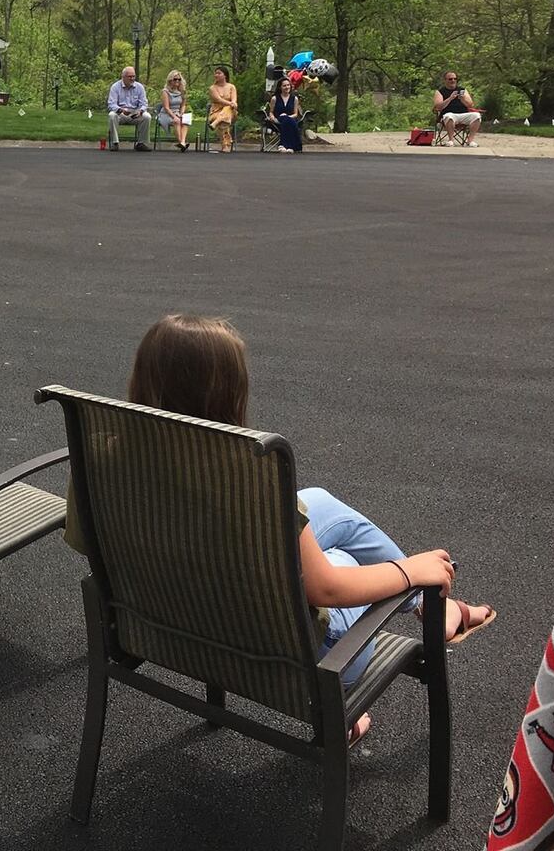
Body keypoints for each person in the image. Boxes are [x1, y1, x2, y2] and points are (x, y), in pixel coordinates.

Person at [71, 315, 495, 737]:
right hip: (294, 658)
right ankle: (413, 621)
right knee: (341, 560)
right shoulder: (252, 482)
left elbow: (85, 544)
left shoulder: (100, 460)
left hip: (168, 624)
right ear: (230, 394)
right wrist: (411, 572)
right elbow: (326, 590)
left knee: (320, 502)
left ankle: (425, 608)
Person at [106, 66, 151, 151]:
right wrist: (121, 110)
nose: (132, 78)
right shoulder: (115, 87)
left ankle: (141, 143)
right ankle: (115, 143)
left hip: (135, 113)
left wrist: (140, 111)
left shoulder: (139, 87)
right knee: (112, 115)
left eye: (133, 76)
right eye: (130, 76)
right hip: (120, 113)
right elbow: (111, 104)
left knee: (147, 116)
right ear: (123, 77)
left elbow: (144, 103)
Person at [434, 71, 482, 146]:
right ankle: (451, 140)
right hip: (448, 115)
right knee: (449, 116)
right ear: (445, 80)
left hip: (463, 114)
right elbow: (438, 107)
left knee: (477, 116)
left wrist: (462, 99)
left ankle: (470, 141)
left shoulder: (462, 90)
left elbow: (470, 105)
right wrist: (450, 98)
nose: (453, 80)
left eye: (455, 79)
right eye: (450, 79)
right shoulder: (440, 92)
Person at [267, 76, 304, 153]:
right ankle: (291, 146)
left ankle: (283, 145)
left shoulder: (295, 99)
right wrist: (272, 117)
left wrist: (287, 116)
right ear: (280, 87)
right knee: (287, 120)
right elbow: (271, 111)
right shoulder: (274, 98)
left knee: (288, 120)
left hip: (290, 119)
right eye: (284, 85)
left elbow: (295, 114)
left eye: (288, 85)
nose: (287, 87)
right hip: (278, 120)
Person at [207, 67, 239, 153]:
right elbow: (218, 100)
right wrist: (231, 104)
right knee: (224, 121)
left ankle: (216, 123)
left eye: (218, 73)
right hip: (216, 112)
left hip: (232, 113)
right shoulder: (212, 88)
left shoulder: (231, 87)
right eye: (215, 73)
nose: (216, 75)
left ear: (225, 75)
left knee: (228, 109)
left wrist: (232, 104)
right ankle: (226, 145)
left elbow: (234, 100)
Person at [158, 69, 190, 151]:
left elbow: (183, 105)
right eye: (175, 79)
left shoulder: (182, 91)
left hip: (178, 112)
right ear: (170, 80)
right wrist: (174, 116)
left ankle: (182, 143)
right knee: (177, 121)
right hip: (166, 113)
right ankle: (182, 143)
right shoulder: (165, 91)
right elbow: (166, 107)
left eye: (179, 79)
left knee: (186, 120)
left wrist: (181, 113)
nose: (177, 81)